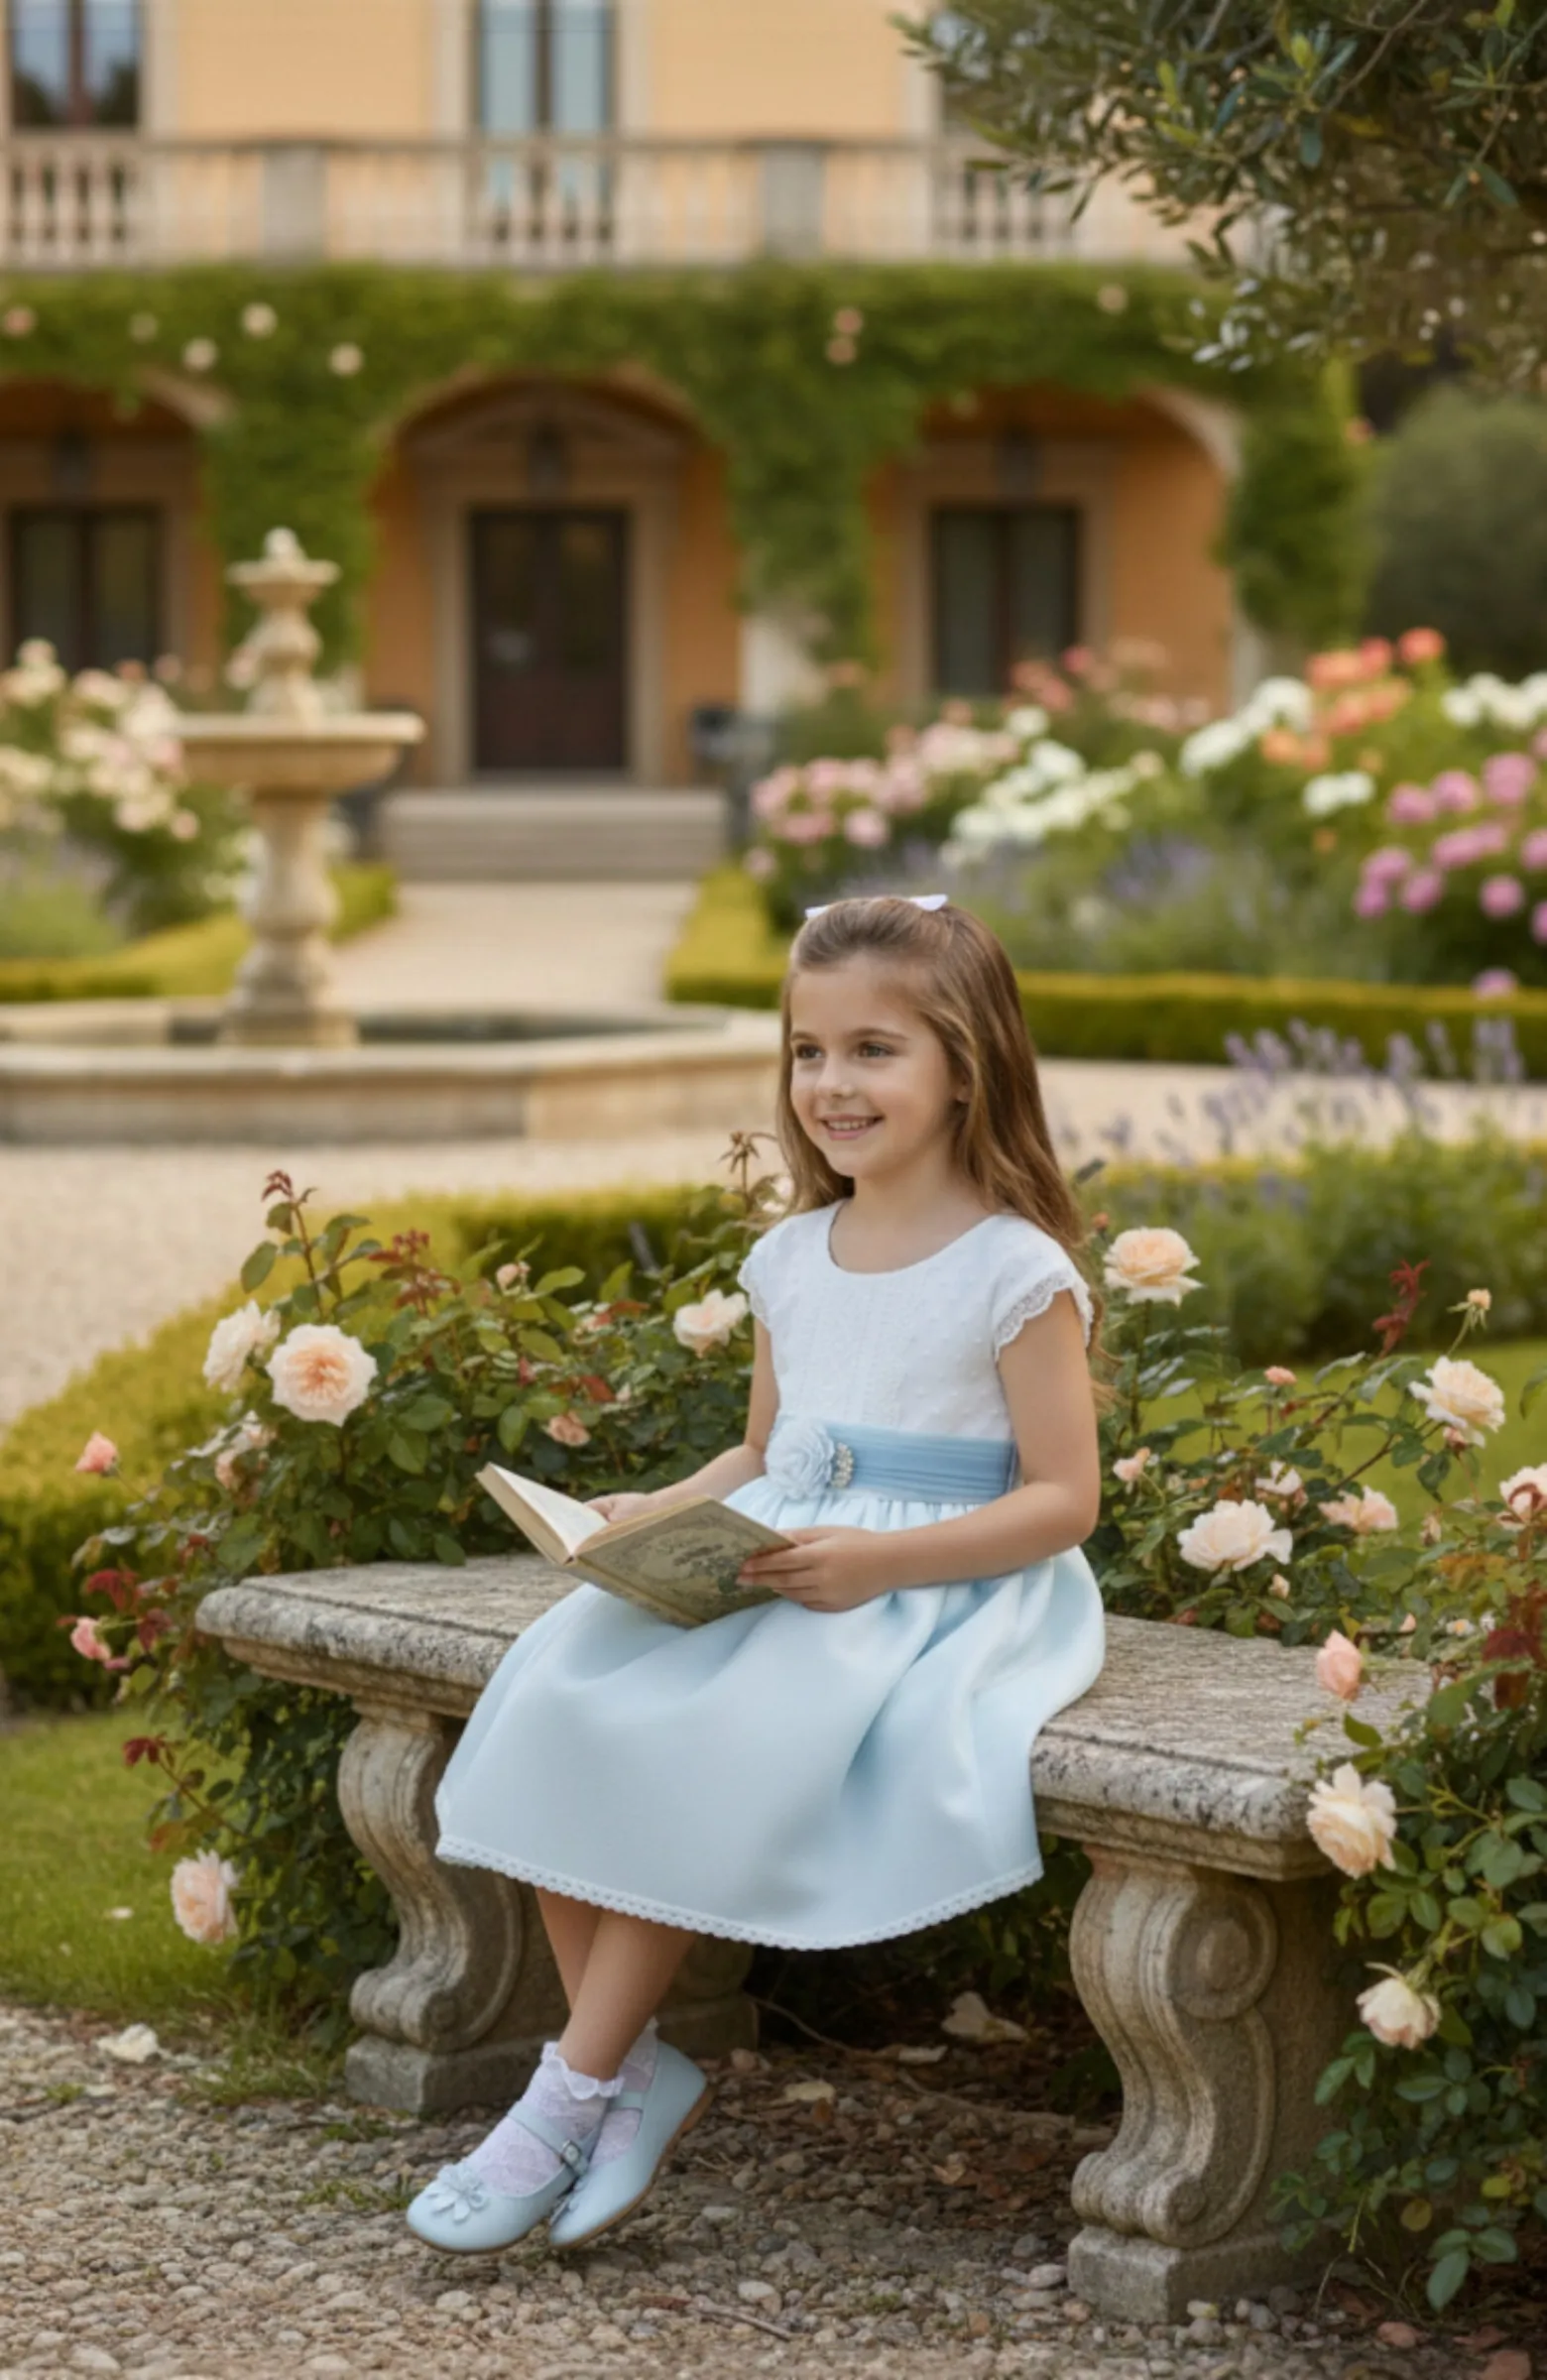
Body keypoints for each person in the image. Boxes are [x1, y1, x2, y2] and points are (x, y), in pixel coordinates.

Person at [407, 892, 1107, 2255]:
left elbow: (1063, 1504)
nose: (832, 1085)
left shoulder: (1016, 1270)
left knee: (713, 1730)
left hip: (933, 1587)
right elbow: (760, 1450)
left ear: (968, 1063)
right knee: (565, 1689)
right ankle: (627, 2070)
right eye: (807, 1052)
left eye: (873, 1051)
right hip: (786, 1555)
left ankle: (568, 2095)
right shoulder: (791, 1253)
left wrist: (881, 1563)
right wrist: (645, 1512)